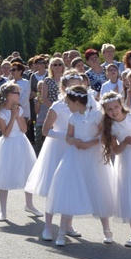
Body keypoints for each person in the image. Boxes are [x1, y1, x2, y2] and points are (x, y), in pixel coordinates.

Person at [46, 85, 118, 245]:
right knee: (70, 191)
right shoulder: (73, 118)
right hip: (75, 156)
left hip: (93, 156)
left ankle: (107, 230)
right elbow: (68, 137)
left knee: (98, 189)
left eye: (69, 103)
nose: (67, 106)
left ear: (77, 102)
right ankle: (62, 232)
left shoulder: (96, 115)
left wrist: (92, 143)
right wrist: (74, 141)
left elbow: (103, 134)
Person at [25, 73, 85, 242]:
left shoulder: (84, 106)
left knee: (71, 188)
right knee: (54, 189)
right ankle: (48, 226)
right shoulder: (57, 107)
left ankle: (68, 225)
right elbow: (45, 130)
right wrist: (66, 135)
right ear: (64, 89)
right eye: (71, 87)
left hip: (75, 149)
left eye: (78, 86)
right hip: (58, 149)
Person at [0, 83, 41, 221]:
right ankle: (3, 211)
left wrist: (18, 115)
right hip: (8, 144)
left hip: (21, 142)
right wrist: (13, 115)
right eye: (17, 93)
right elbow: (6, 133)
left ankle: (29, 204)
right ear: (8, 95)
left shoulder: (20, 109)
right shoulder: (2, 112)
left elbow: (24, 130)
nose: (19, 95)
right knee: (4, 177)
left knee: (27, 172)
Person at [101, 92, 131, 247]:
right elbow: (116, 150)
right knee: (130, 196)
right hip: (126, 163)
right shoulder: (112, 127)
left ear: (121, 105)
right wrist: (125, 143)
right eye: (109, 109)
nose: (113, 111)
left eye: (116, 107)